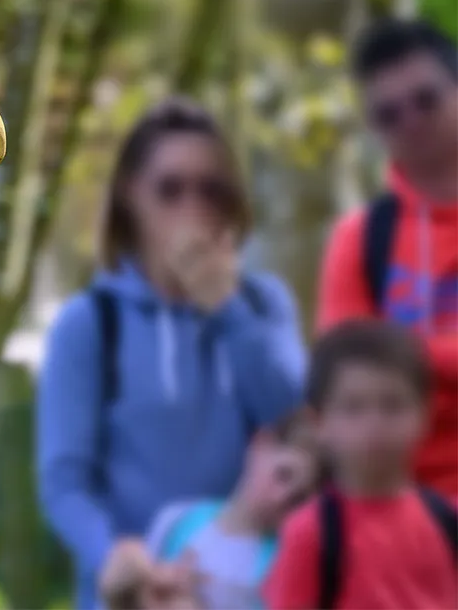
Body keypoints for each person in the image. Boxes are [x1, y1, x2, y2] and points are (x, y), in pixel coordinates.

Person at [35, 97, 307, 610]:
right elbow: (65, 483)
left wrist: (224, 307)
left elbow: (297, 425)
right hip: (139, 594)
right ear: (129, 197)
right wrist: (114, 556)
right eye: (170, 189)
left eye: (211, 189)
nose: (192, 208)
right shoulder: (91, 322)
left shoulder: (262, 305)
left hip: (250, 592)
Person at [316, 18, 458, 498]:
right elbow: (345, 382)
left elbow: (377, 366)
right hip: (399, 510)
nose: (411, 121)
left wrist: (405, 353)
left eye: (426, 100)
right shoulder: (358, 238)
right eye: (388, 114)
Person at [264, 319, 458, 610]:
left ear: (424, 414)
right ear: (319, 423)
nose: (374, 424)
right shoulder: (310, 534)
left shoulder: (446, 519)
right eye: (353, 408)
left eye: (392, 405)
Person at [142, 410, 320, 609]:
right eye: (283, 475)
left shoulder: (283, 565)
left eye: (296, 500)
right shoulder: (176, 521)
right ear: (261, 444)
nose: (279, 498)